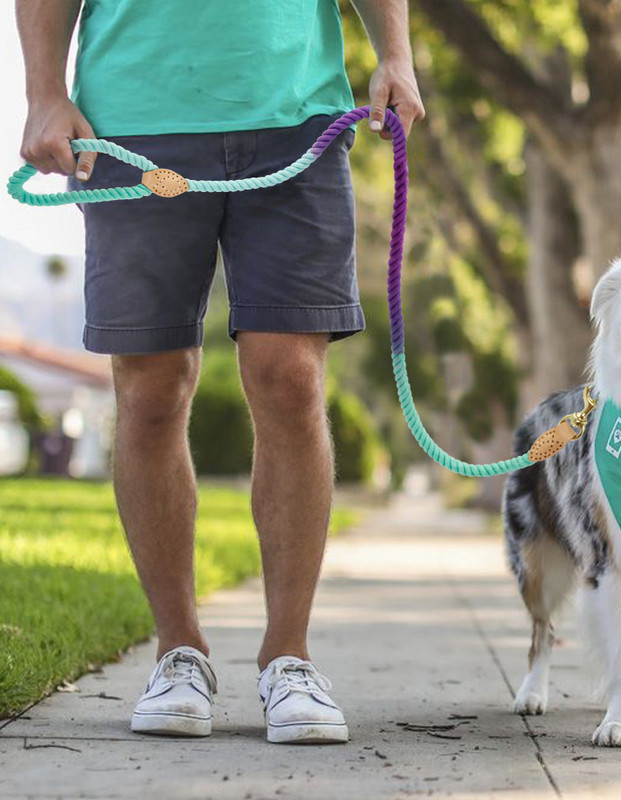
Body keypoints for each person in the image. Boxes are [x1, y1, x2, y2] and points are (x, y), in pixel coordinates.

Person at [17, 0, 424, 744]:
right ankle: (179, 653)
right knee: (149, 388)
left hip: (296, 112)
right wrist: (44, 89)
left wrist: (394, 52)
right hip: (132, 118)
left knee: (290, 379)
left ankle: (288, 657)